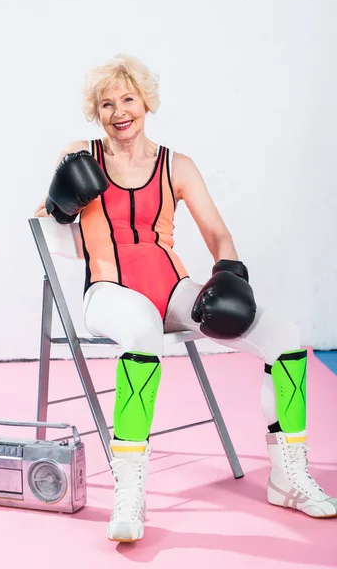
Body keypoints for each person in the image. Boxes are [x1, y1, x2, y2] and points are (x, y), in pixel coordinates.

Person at [35, 54, 336, 542]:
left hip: (172, 288)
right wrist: (59, 202)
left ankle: (289, 477)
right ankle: (129, 493)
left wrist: (229, 274)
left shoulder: (177, 164)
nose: (119, 111)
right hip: (109, 291)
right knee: (141, 332)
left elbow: (217, 233)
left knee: (287, 336)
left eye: (128, 98)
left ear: (146, 101)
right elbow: (47, 224)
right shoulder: (80, 154)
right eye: (107, 103)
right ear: (97, 110)